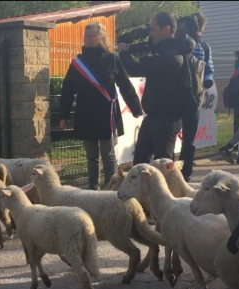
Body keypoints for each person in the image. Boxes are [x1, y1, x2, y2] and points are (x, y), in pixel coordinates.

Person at [59, 22, 142, 190]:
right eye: (85, 36)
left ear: (100, 38)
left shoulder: (112, 59)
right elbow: (67, 89)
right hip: (85, 113)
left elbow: (124, 85)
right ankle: (92, 189)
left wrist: (135, 107)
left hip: (106, 115)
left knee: (108, 155)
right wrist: (63, 115)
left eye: (90, 36)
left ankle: (110, 189)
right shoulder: (78, 62)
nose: (87, 39)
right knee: (91, 156)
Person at [118, 11, 195, 165]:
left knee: (163, 166)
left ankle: (168, 189)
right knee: (140, 163)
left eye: (153, 29)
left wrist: (124, 53)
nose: (150, 34)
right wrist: (145, 59)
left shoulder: (169, 53)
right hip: (154, 116)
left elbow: (136, 70)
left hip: (166, 119)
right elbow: (154, 71)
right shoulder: (165, 50)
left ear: (166, 29)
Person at [177, 12, 213, 182]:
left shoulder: (204, 47)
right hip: (182, 94)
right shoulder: (180, 43)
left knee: (188, 138)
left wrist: (207, 81)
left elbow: (209, 69)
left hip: (194, 96)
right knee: (181, 136)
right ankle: (180, 173)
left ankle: (185, 173)